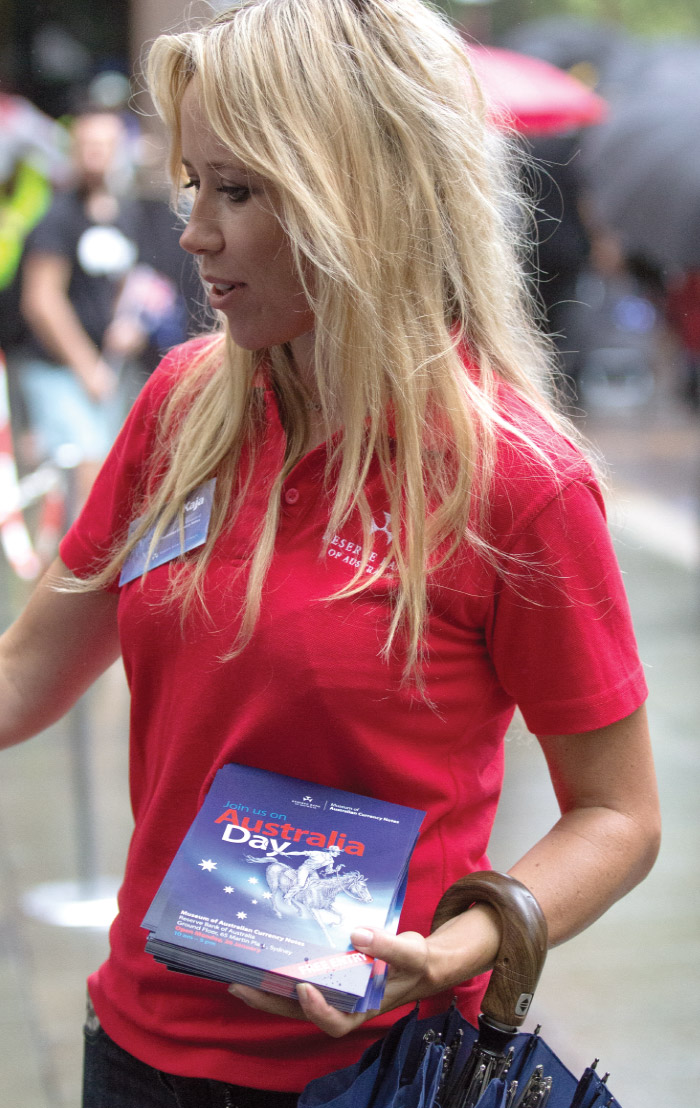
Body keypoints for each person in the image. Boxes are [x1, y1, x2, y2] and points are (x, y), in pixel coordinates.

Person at [0, 2, 660, 1106]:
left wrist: (453, 950)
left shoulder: (515, 481)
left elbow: (618, 814)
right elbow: (24, 675)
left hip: (367, 1072)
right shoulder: (180, 408)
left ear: (362, 198)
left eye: (241, 190)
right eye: (192, 185)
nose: (195, 232)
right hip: (135, 1045)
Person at [13, 107, 148, 507]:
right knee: (85, 472)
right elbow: (41, 300)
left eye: (106, 146)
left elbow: (131, 282)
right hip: (58, 368)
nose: (97, 156)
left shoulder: (126, 213)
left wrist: (132, 324)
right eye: (88, 146)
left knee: (114, 470)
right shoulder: (57, 216)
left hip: (110, 368)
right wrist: (85, 365)